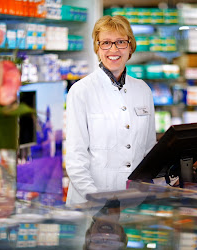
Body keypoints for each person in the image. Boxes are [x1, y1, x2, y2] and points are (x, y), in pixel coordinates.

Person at [65, 15, 156, 205]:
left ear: (130, 47)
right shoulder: (81, 91)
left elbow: (149, 151)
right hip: (92, 202)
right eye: (106, 43)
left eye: (121, 42)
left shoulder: (143, 90)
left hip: (133, 200)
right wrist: (98, 200)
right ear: (97, 48)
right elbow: (76, 158)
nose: (113, 49)